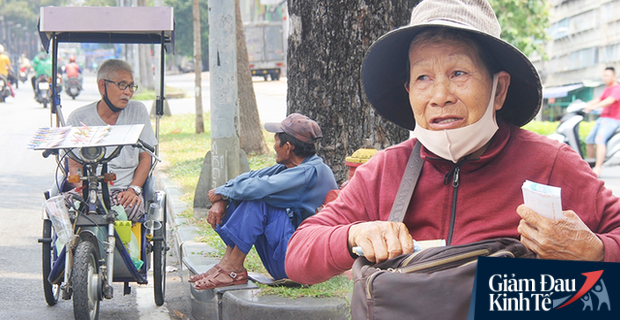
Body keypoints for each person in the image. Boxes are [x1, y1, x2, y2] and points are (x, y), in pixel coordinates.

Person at [285, 0, 620, 285]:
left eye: (459, 73)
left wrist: (596, 252)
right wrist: (353, 235)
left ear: (499, 89)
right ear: (409, 91)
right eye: (423, 78)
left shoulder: (551, 163)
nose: (440, 96)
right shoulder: (386, 169)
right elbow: (299, 255)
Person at [190, 113, 338, 290]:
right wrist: (222, 196)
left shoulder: (309, 172)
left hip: (304, 265)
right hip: (291, 255)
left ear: (288, 147)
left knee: (258, 200)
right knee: (246, 194)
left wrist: (223, 193)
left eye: (276, 141)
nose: (273, 146)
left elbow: (259, 188)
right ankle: (226, 265)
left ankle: (233, 268)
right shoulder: (291, 166)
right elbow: (251, 177)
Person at [65, 59, 156, 221]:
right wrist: (84, 191)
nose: (127, 92)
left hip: (123, 191)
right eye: (122, 85)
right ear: (102, 86)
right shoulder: (78, 118)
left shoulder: (138, 111)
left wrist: (133, 189)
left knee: (130, 210)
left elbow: (145, 157)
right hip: (88, 189)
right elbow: (74, 164)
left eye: (131, 86)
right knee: (60, 209)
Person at [584, 67, 620, 177]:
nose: (605, 78)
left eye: (608, 76)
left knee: (600, 140)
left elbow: (609, 101)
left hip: (612, 120)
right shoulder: (607, 89)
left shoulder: (617, 88)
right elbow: (599, 99)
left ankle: (598, 168)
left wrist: (593, 107)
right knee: (589, 140)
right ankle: (589, 166)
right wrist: (586, 105)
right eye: (604, 76)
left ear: (614, 76)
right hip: (602, 119)